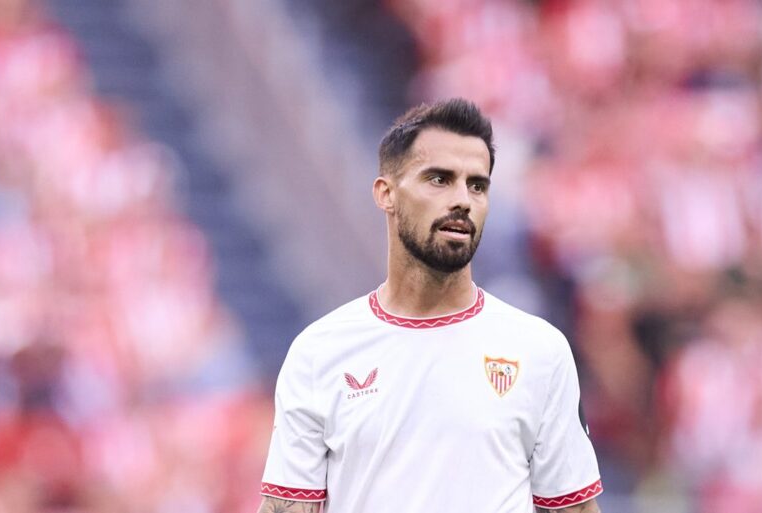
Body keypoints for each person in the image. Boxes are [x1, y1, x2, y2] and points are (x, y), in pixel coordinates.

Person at [257, 99, 602, 513]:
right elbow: (285, 508)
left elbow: (574, 509)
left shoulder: (540, 350)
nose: (463, 200)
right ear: (386, 194)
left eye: (477, 185)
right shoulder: (319, 352)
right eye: (440, 179)